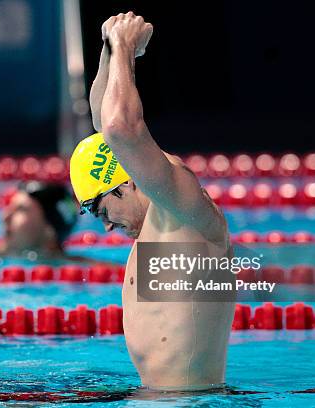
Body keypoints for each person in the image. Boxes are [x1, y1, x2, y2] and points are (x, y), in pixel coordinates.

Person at [70, 12, 235, 390]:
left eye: (99, 210)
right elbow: (104, 123)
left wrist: (125, 46)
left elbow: (118, 129)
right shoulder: (158, 225)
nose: (107, 226)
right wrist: (111, 50)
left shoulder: (183, 212)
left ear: (125, 182)